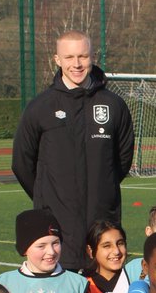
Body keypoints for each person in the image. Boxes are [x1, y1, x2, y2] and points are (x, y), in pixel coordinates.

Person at [11, 30, 134, 271]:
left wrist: (103, 189)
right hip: (56, 222)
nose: (76, 64)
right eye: (69, 58)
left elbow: (122, 159)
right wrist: (47, 197)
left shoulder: (113, 104)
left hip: (102, 221)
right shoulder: (41, 106)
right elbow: (22, 162)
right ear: (57, 60)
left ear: (92, 57)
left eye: (83, 56)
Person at [77, 220, 129, 293]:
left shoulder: (132, 279)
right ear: (90, 251)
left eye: (120, 243)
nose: (116, 251)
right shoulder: (81, 283)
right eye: (107, 246)